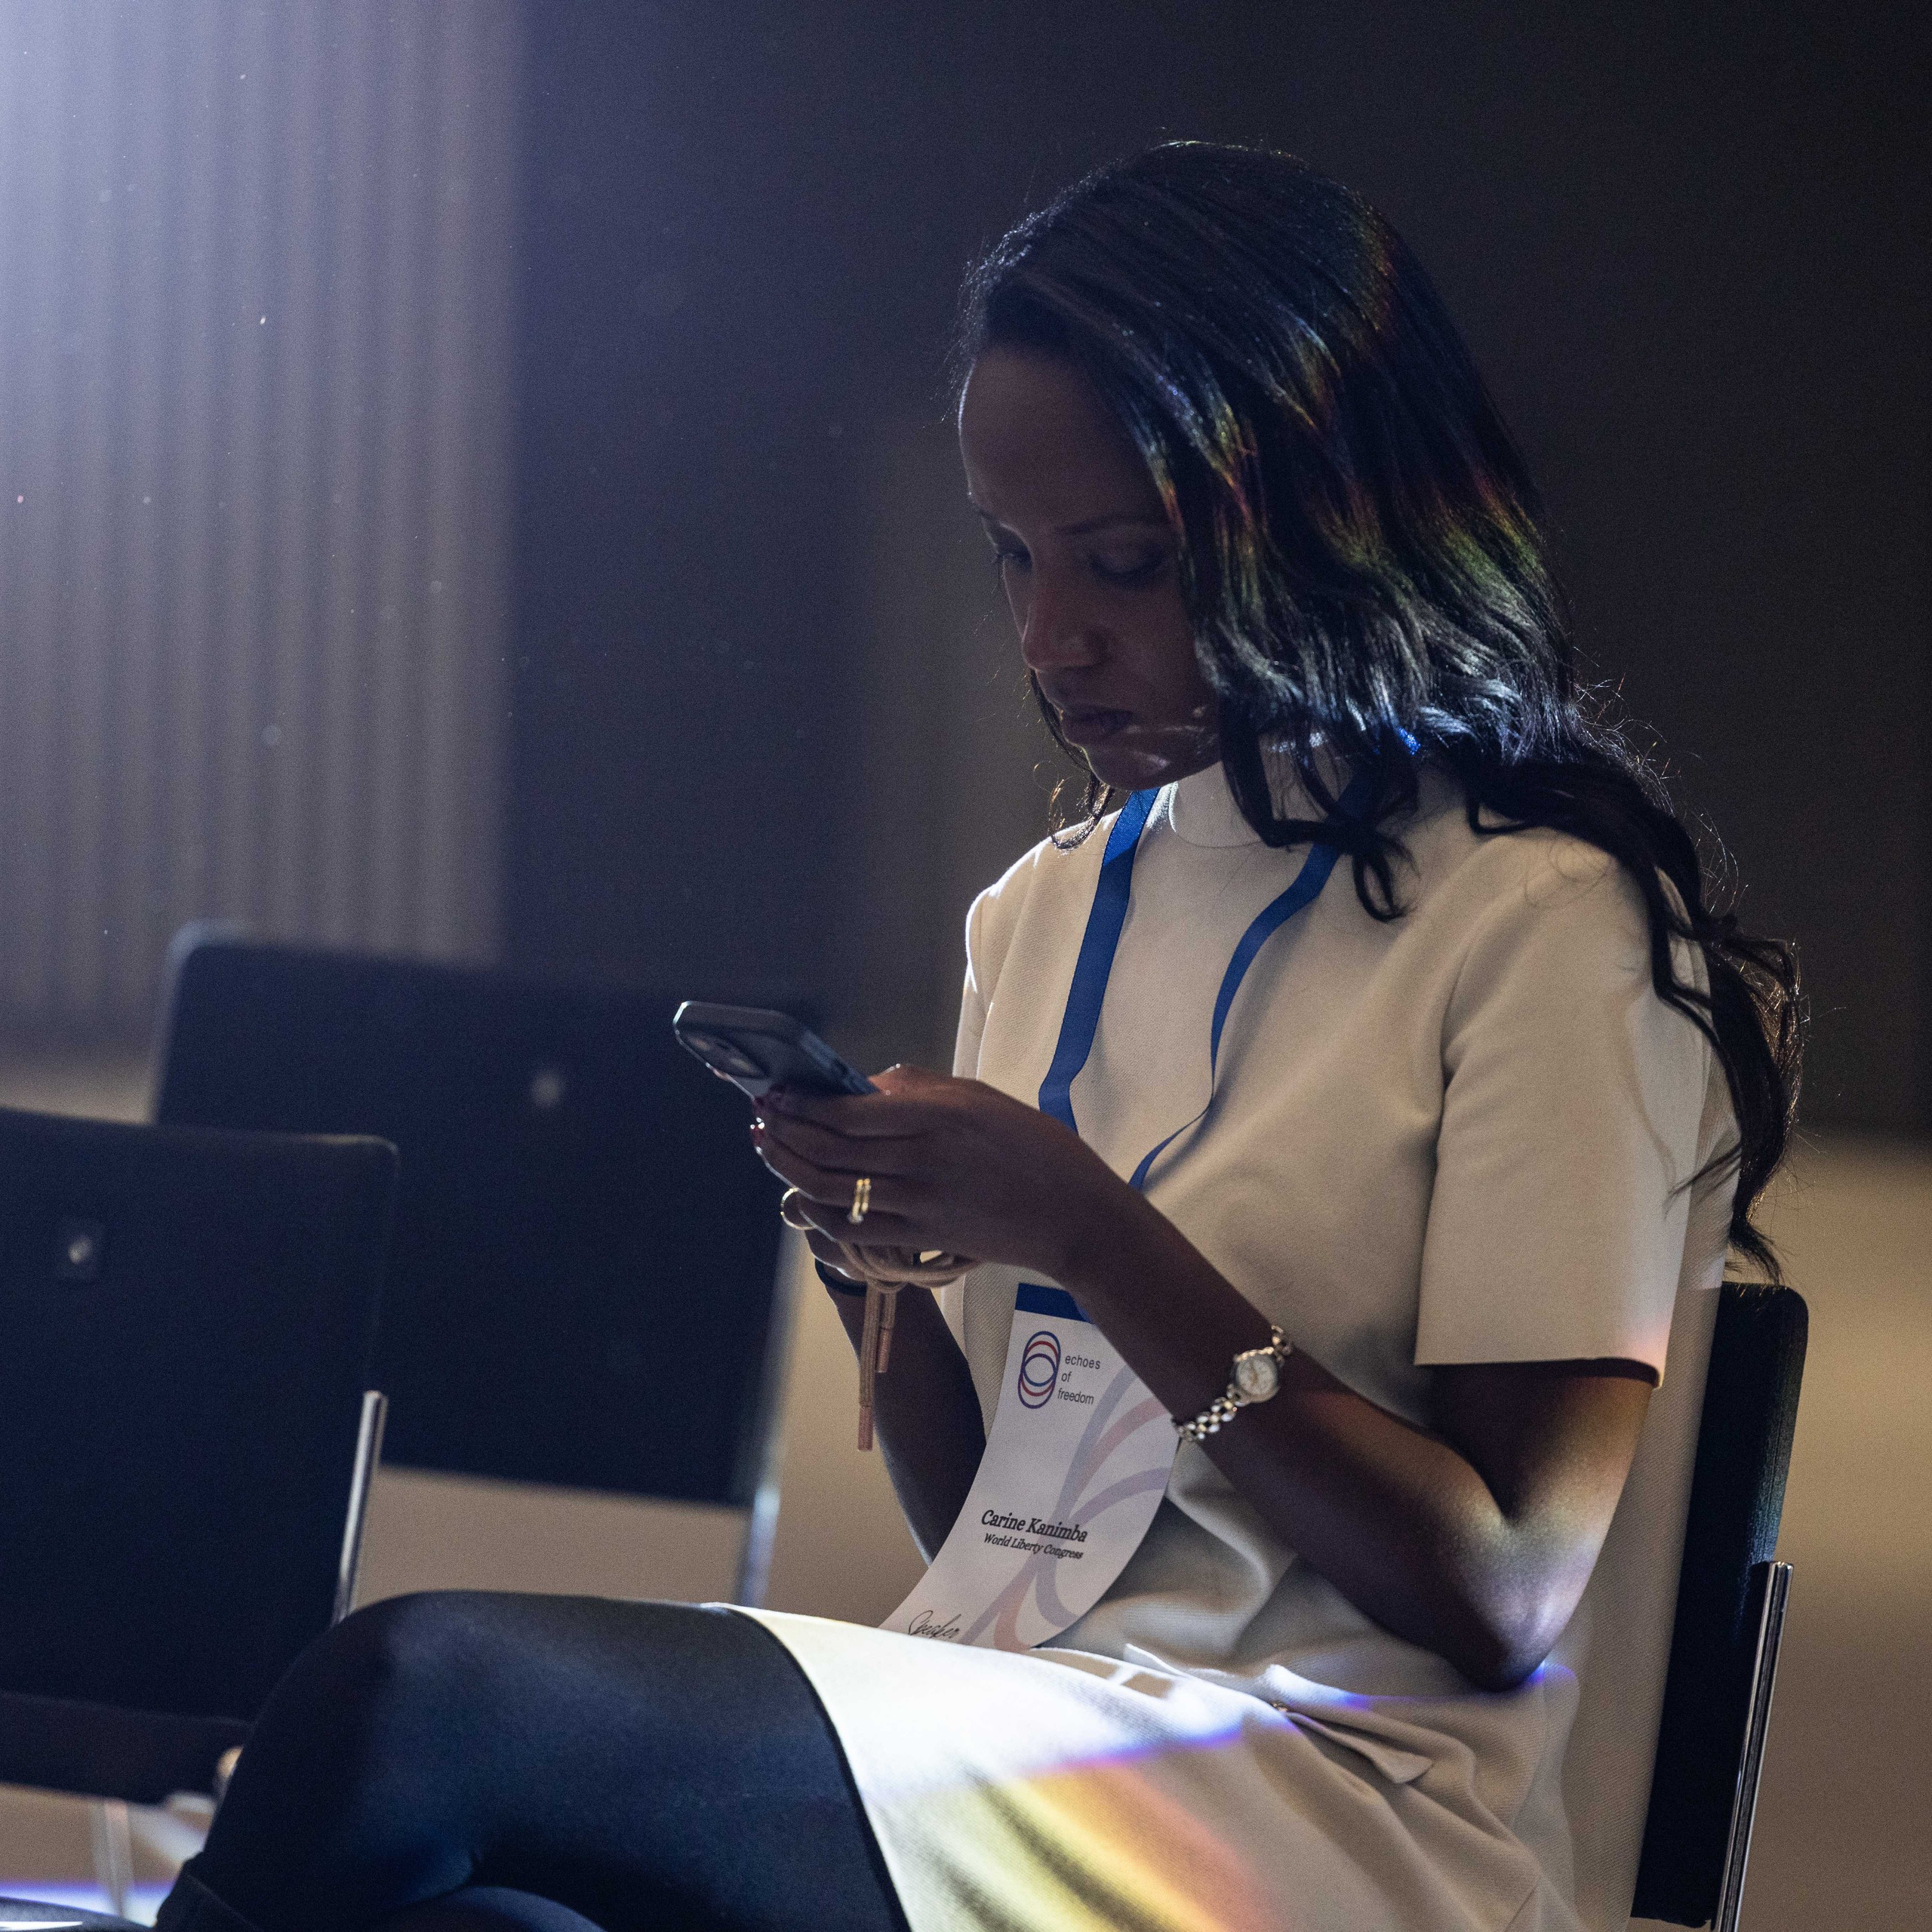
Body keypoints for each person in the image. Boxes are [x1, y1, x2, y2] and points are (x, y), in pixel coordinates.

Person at [156, 143, 1800, 1932]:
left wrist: (1085, 1229)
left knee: (412, 1700)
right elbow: (998, 1547)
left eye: (1122, 560)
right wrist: (881, 1267)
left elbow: (1496, 1582)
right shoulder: (1043, 907)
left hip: (1330, 1801)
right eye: (1013, 555)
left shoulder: (1540, 926)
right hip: (1029, 1709)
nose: (1049, 634)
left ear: (1326, 512)